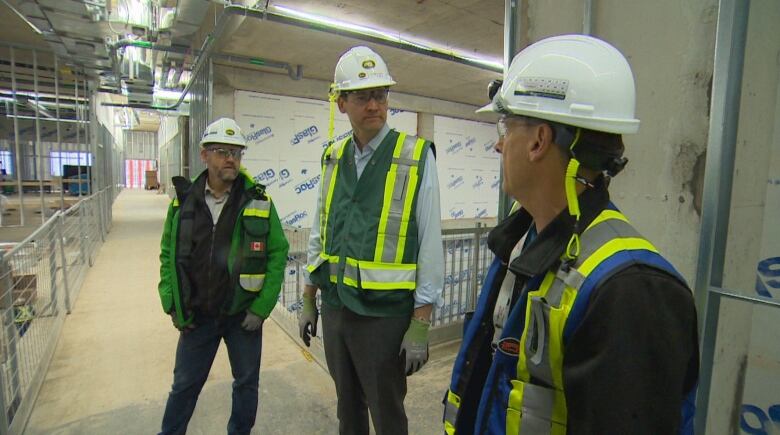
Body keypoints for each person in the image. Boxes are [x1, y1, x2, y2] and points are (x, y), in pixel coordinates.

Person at [443, 35, 699, 434]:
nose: (497, 143)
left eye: (505, 125)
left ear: (539, 141)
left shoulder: (631, 291)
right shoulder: (522, 237)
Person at [297, 45, 445, 435]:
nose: (375, 105)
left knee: (387, 412)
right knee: (348, 408)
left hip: (384, 316)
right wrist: (309, 297)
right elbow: (320, 228)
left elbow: (430, 239)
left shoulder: (414, 156)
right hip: (337, 308)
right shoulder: (333, 155)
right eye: (363, 97)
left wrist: (421, 322)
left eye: (380, 95)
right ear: (342, 103)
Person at [157, 117, 289, 435]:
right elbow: (167, 255)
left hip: (241, 315)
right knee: (184, 387)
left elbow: (277, 253)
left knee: (246, 385)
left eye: (236, 152)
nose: (231, 158)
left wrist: (261, 308)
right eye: (222, 151)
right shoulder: (183, 201)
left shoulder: (258, 201)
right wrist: (171, 303)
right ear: (205, 155)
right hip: (197, 315)